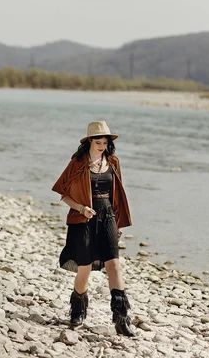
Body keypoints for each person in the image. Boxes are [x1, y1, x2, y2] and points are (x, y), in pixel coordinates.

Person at [51, 121, 135, 337]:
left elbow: (117, 196)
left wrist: (117, 225)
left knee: (114, 265)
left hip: (107, 216)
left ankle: (121, 319)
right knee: (84, 268)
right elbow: (63, 193)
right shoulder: (77, 163)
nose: (102, 145)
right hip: (83, 219)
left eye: (105, 142)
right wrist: (81, 208)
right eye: (99, 141)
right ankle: (78, 311)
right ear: (89, 141)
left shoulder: (113, 162)